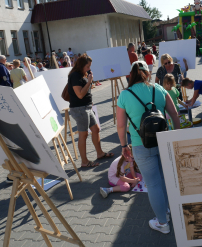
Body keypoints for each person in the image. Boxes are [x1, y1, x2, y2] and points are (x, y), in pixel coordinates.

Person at [116, 61, 180, 234]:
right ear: (147, 73)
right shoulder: (158, 89)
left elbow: (121, 126)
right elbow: (174, 113)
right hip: (164, 141)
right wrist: (178, 135)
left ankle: (162, 222)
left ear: (132, 74)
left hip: (140, 144)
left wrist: (124, 145)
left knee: (152, 184)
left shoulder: (125, 95)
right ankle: (168, 211)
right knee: (164, 179)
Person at [68, 54, 114, 168]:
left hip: (87, 107)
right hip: (80, 109)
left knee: (96, 129)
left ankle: (100, 153)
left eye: (90, 66)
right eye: (87, 66)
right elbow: (79, 94)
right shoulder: (75, 76)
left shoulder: (82, 74)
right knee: (83, 135)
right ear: (82, 65)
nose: (89, 69)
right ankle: (84, 161)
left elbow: (85, 92)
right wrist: (89, 82)